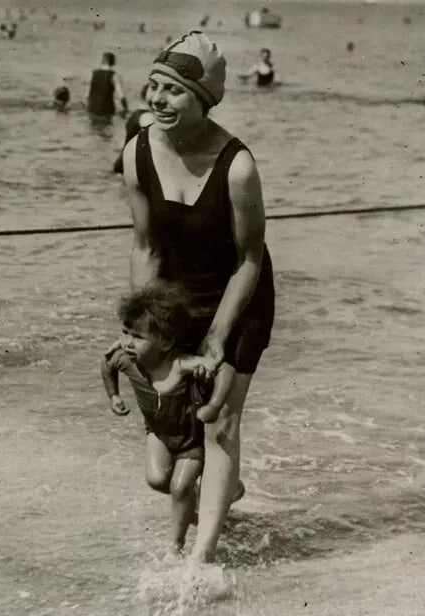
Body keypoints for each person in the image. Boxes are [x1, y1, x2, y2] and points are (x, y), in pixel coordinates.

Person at [121, 30, 275, 564]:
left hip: (240, 296)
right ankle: (221, 493)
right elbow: (144, 245)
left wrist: (215, 340)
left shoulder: (237, 166)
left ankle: (200, 560)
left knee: (220, 421)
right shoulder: (136, 152)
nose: (158, 100)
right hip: (176, 297)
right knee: (172, 445)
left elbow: (250, 259)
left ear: (203, 98)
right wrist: (145, 325)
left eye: (174, 91)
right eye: (153, 87)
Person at [101, 285, 239, 555]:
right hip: (158, 432)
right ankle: (217, 497)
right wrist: (113, 395)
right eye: (125, 332)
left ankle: (175, 546)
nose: (127, 342)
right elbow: (106, 364)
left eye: (138, 337)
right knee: (156, 479)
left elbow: (226, 369)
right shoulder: (126, 360)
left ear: (165, 342)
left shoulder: (180, 364)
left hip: (191, 440)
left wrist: (214, 404)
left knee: (180, 486)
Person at [113, 82, 155, 174]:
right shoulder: (147, 117)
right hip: (132, 167)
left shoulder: (135, 114)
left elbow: (121, 142)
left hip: (124, 162)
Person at [86, 52, 128, 122]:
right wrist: (126, 109)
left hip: (92, 109)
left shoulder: (92, 73)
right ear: (113, 62)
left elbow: (87, 95)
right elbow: (121, 96)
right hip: (107, 110)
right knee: (106, 131)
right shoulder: (115, 75)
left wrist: (89, 107)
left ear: (102, 61)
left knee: (93, 130)